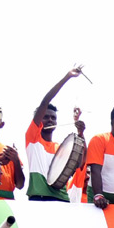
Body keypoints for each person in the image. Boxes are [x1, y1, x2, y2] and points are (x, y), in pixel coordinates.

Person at [26, 66, 86, 202]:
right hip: (39, 197)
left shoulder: (61, 147)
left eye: (53, 118)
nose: (50, 120)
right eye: (46, 117)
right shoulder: (32, 139)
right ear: (38, 119)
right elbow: (44, 102)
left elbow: (80, 164)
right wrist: (67, 77)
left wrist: (81, 134)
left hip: (62, 199)